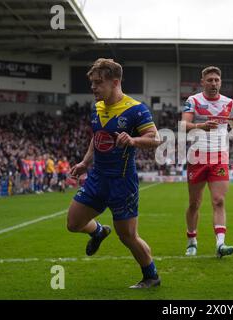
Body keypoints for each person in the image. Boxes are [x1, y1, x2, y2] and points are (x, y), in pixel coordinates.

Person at [67, 58, 161, 289]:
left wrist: (133, 140)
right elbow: (96, 138)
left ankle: (151, 276)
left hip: (122, 181)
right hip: (97, 178)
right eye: (92, 83)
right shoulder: (97, 107)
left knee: (127, 236)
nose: (93, 88)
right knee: (73, 222)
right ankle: (98, 231)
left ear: (115, 82)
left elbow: (155, 139)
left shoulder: (136, 109)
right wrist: (84, 163)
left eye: (98, 83)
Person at [181, 66, 233, 258]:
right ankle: (192, 241)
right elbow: (183, 126)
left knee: (219, 200)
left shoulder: (229, 103)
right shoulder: (194, 101)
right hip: (197, 157)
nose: (213, 83)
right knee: (195, 203)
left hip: (219, 158)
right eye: (210, 80)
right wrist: (201, 126)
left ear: (221, 82)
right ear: (202, 82)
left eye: (216, 80)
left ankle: (220, 244)